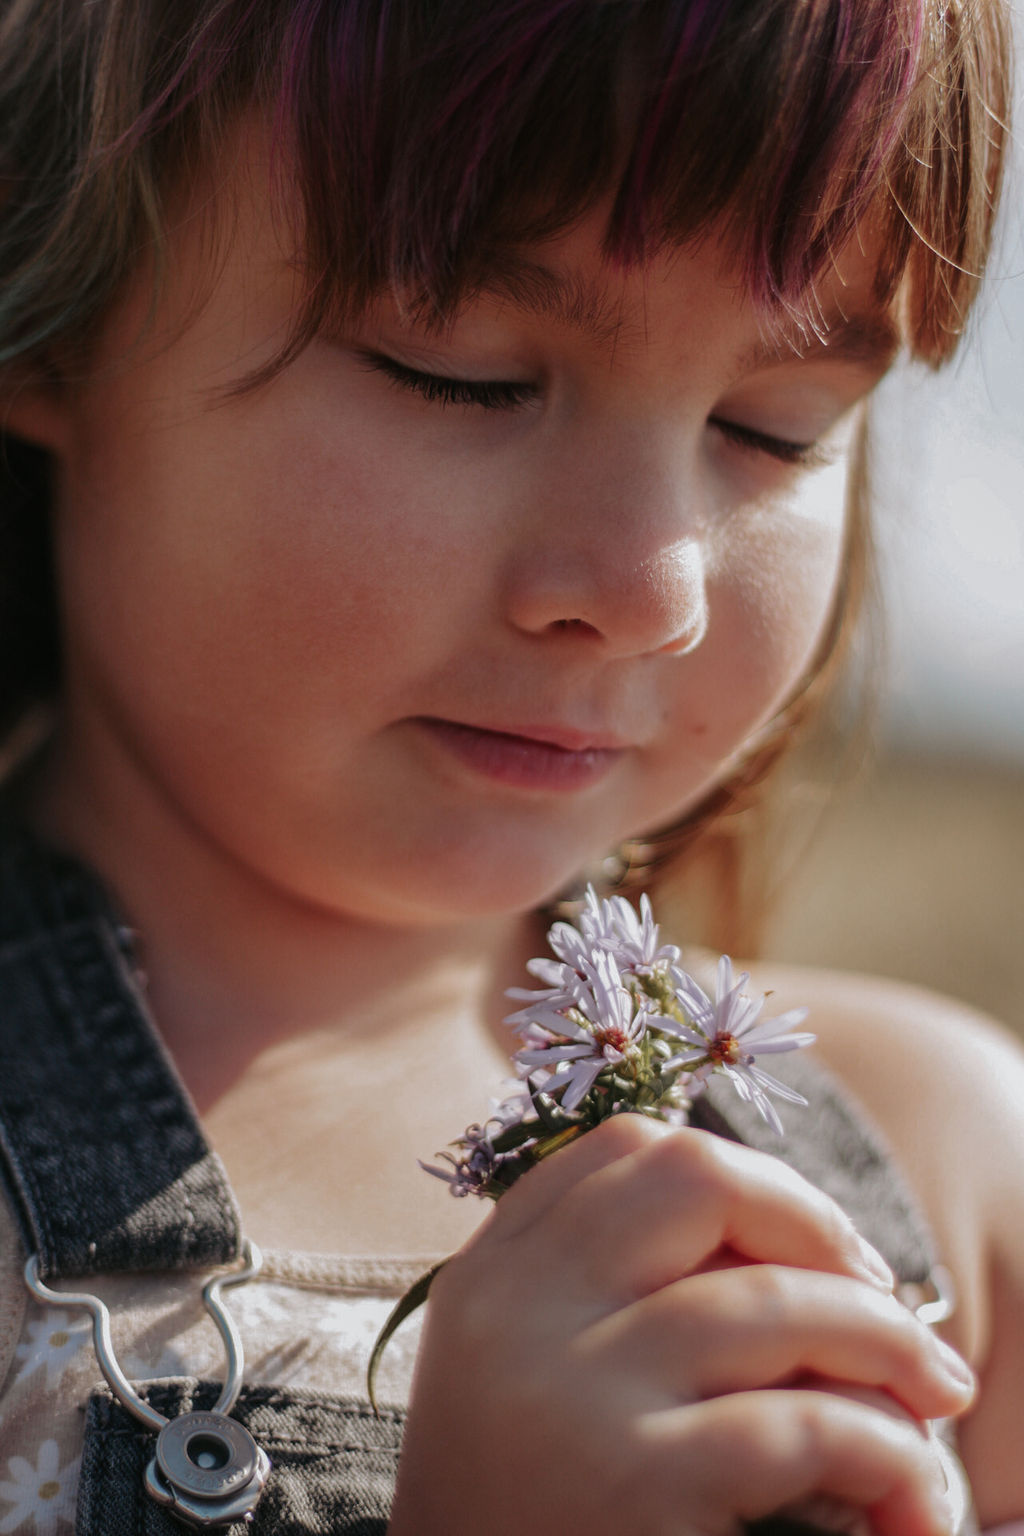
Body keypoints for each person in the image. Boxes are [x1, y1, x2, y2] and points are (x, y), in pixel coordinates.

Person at [0, 1, 1021, 1532]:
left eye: (773, 426)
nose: (649, 589)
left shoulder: (947, 1176)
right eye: (461, 374)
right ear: (52, 311)